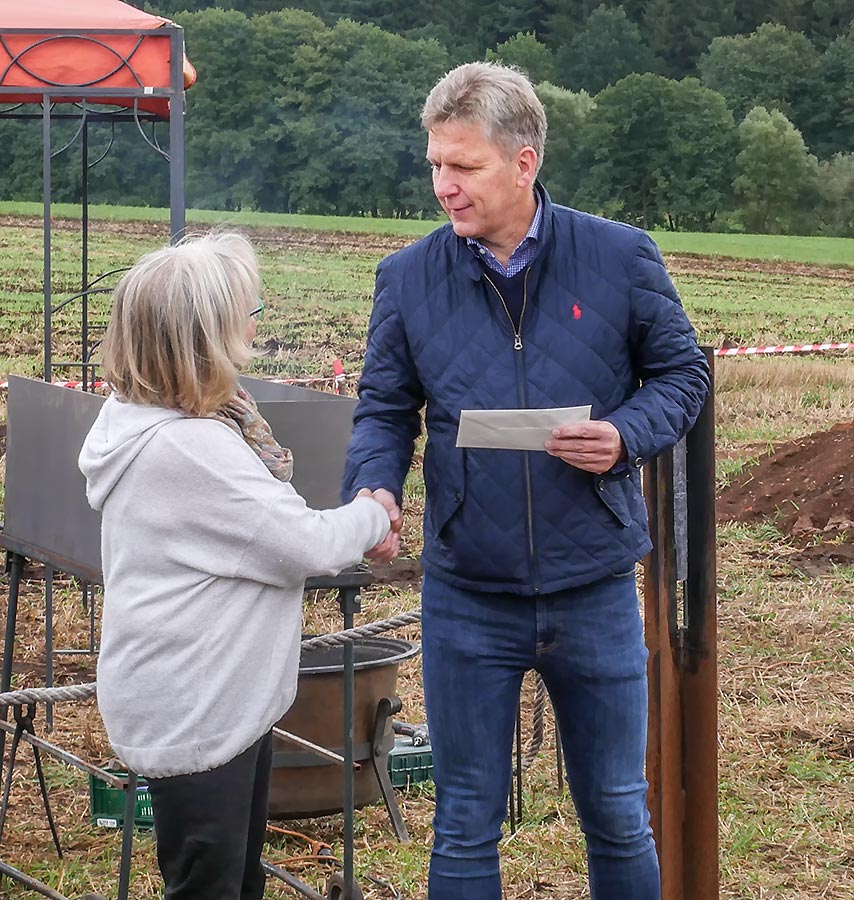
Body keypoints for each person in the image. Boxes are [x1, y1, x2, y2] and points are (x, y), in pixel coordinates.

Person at [342, 62, 711, 900]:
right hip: (467, 593)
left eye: (463, 166)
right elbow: (384, 410)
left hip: (594, 588)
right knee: (464, 820)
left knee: (617, 813)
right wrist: (374, 488)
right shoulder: (408, 278)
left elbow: (682, 374)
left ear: (523, 162)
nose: (444, 186)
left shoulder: (619, 257)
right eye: (435, 165)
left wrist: (624, 436)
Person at [78, 232, 399, 900]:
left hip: (204, 697)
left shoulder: (144, 415)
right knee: (212, 888)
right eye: (244, 315)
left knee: (235, 881)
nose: (254, 327)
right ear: (203, 337)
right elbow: (303, 543)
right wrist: (374, 513)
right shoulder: (189, 447)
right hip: (196, 708)